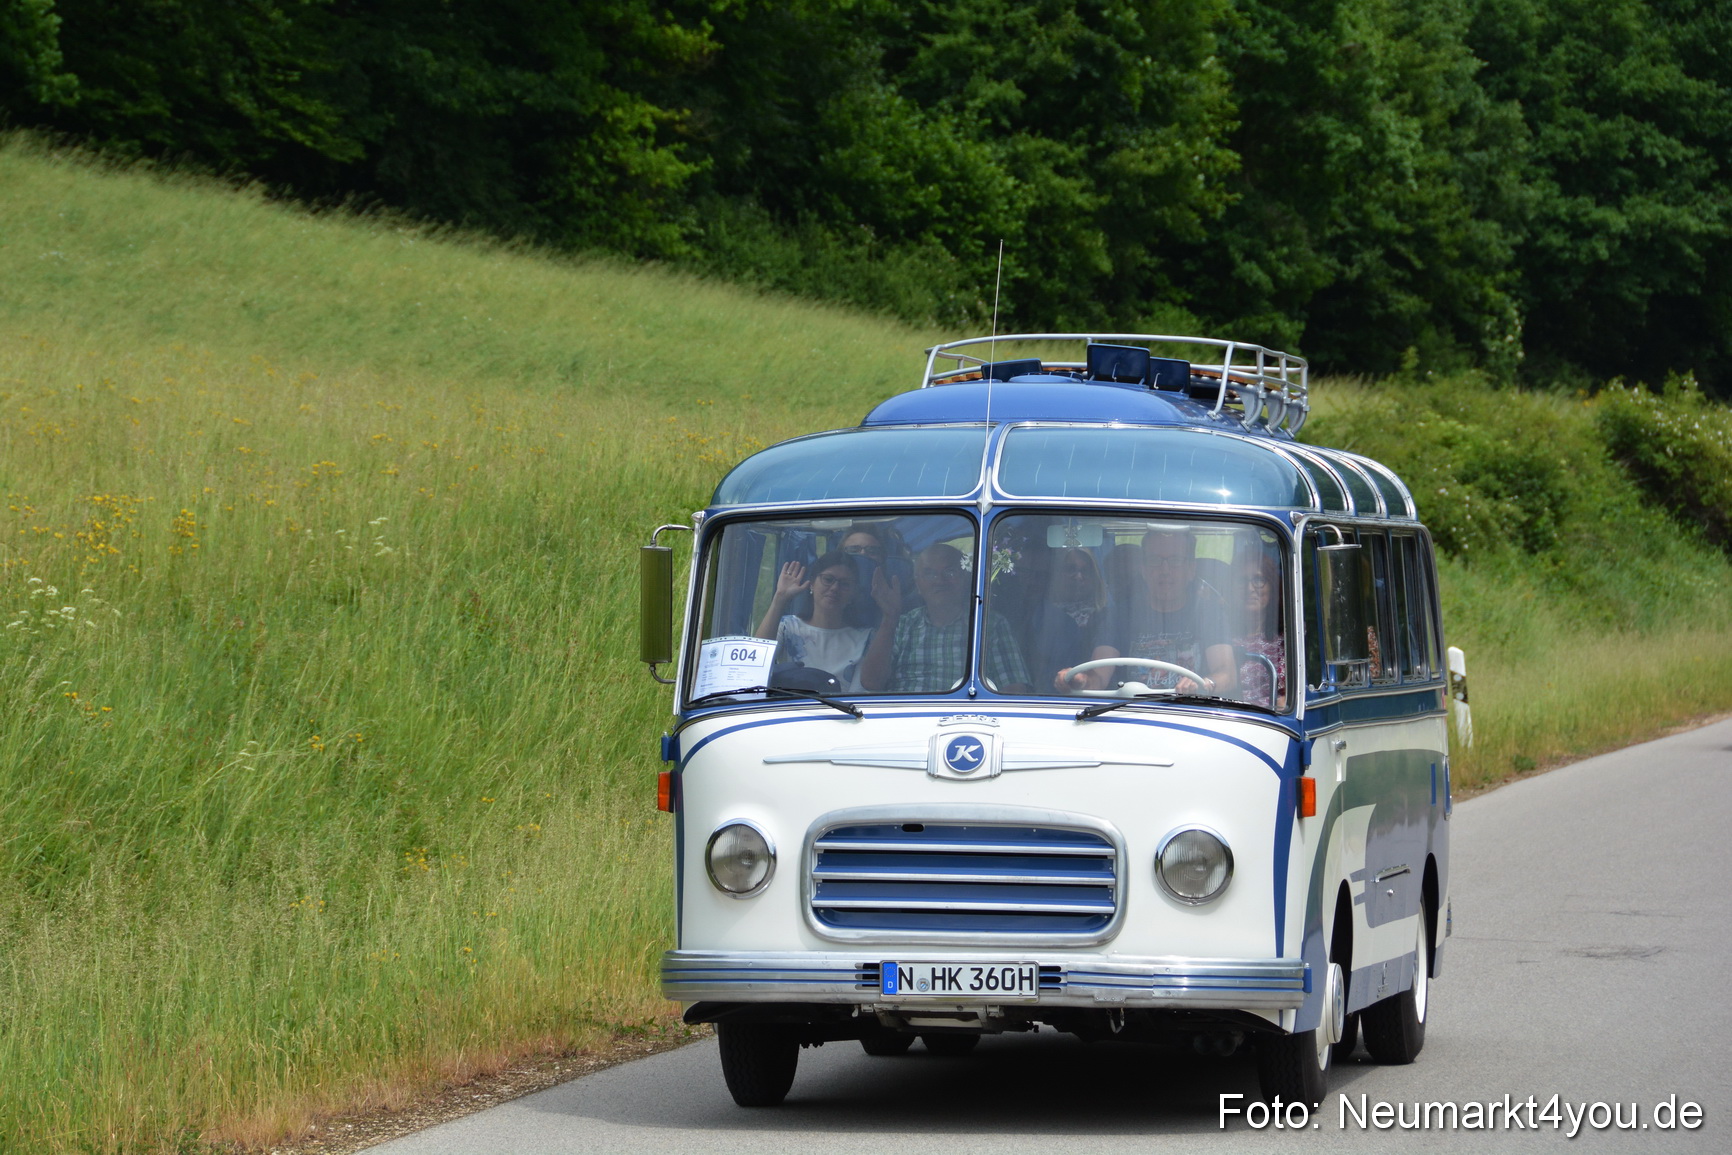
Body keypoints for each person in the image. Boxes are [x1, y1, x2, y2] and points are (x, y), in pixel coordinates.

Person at [1055, 527, 1236, 696]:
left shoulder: (1210, 613)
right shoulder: (1119, 615)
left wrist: (1204, 684)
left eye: (1175, 560)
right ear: (1143, 569)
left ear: (1191, 569)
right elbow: (1099, 677)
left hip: (1190, 713)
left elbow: (1226, 674)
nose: (1165, 570)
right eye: (1154, 560)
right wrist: (1080, 680)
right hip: (1131, 715)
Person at [860, 543, 1032, 694]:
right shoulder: (902, 624)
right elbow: (871, 683)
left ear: (965, 579)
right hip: (906, 717)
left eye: (950, 572)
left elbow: (1014, 690)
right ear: (918, 584)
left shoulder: (989, 624)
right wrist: (889, 618)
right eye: (929, 574)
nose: (939, 581)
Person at [752, 550, 875, 691]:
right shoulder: (788, 627)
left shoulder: (866, 637)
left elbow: (860, 692)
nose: (835, 588)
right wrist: (779, 599)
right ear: (812, 584)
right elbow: (756, 661)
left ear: (854, 593)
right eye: (828, 579)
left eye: (845, 584)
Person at [1023, 548, 1111, 693]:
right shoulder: (1039, 615)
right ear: (1056, 574)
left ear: (1095, 576)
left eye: (1086, 570)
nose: (1078, 576)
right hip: (1049, 699)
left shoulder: (1107, 616)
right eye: (1070, 569)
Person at [1231, 547, 1286, 708]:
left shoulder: (1289, 637)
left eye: (1258, 580)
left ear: (1272, 587)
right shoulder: (1222, 637)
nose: (1250, 589)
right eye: (1242, 581)